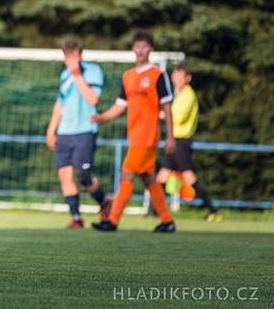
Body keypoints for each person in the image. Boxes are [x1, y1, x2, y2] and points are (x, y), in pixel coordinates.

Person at [92, 31, 177, 233]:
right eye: (137, 46)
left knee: (127, 173)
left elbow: (166, 107)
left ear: (151, 49)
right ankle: (167, 220)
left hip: (148, 135)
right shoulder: (128, 76)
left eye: (145, 46)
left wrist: (170, 136)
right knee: (148, 178)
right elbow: (120, 105)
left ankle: (112, 221)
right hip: (134, 135)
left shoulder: (158, 75)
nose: (141, 50)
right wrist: (102, 116)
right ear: (133, 49)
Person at [45, 40, 111, 229]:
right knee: (64, 174)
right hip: (65, 132)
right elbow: (60, 104)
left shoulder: (93, 71)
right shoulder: (64, 75)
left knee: (83, 175)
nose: (71, 60)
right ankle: (76, 218)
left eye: (74, 56)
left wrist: (78, 76)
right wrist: (51, 130)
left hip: (85, 131)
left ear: (80, 55)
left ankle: (104, 201)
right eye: (68, 57)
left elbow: (93, 99)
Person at [156, 63, 222, 221]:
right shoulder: (177, 94)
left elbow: (176, 117)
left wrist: (160, 114)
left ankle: (212, 210)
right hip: (174, 141)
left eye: (181, 75)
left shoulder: (188, 95)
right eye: (175, 74)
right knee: (162, 176)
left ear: (188, 78)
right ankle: (156, 209)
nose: (177, 78)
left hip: (181, 142)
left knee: (189, 177)